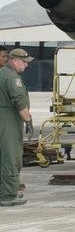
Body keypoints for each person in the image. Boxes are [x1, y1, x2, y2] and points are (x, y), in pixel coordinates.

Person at [0, 48, 33, 206]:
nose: (26, 66)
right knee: (11, 157)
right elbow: (19, 102)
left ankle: (4, 191)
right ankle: (8, 196)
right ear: (15, 61)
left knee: (2, 156)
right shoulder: (13, 79)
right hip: (9, 120)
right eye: (24, 62)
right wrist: (28, 121)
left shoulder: (1, 73)